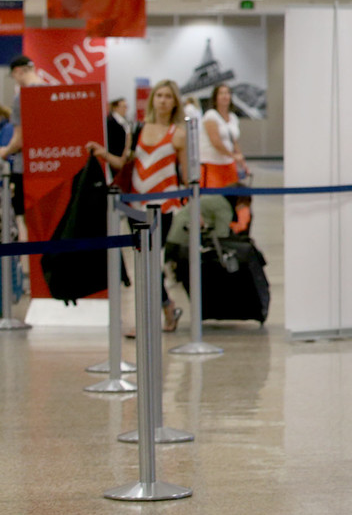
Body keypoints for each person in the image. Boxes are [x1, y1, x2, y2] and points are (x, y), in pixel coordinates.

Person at [87, 79, 189, 334]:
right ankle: (166, 307)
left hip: (164, 205)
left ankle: (150, 318)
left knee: (152, 261)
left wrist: (193, 206)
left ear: (174, 101)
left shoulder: (178, 134)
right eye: (159, 95)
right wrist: (102, 153)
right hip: (135, 203)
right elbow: (124, 163)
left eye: (168, 96)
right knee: (143, 261)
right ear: (153, 99)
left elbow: (187, 176)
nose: (163, 100)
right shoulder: (139, 128)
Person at [1, 55, 41, 219]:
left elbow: (19, 139)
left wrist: (4, 151)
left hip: (25, 167)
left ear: (18, 72)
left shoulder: (21, 97)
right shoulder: (54, 90)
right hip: (51, 167)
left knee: (23, 219)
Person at [199, 84, 247, 188]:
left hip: (228, 164)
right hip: (212, 163)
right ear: (215, 98)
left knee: (233, 196)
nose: (225, 96)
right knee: (214, 198)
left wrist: (241, 161)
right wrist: (233, 155)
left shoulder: (233, 117)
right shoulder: (211, 115)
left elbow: (233, 141)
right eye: (221, 93)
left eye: (227, 93)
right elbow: (215, 142)